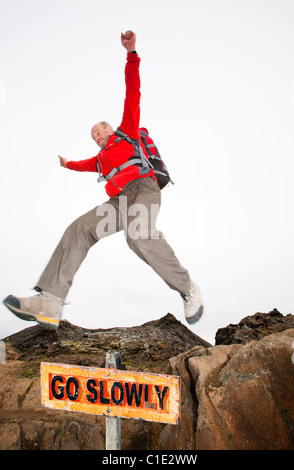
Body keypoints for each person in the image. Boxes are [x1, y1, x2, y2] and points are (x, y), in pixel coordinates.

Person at [3, 31, 204, 330]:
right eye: (92, 136)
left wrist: (132, 54)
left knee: (138, 235)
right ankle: (51, 300)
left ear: (110, 129)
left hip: (143, 189)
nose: (96, 138)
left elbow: (132, 91)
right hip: (118, 200)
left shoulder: (128, 132)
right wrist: (67, 164)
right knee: (79, 229)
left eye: (99, 132)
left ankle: (188, 288)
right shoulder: (100, 159)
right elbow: (83, 165)